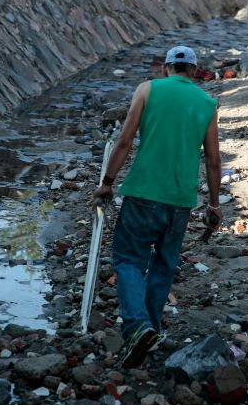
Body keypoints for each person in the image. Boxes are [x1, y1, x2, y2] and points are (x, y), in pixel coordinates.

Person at [92, 45, 223, 369]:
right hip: (180, 201)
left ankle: (138, 327)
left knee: (127, 260)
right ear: (193, 71)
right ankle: (151, 328)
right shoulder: (207, 103)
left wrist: (107, 182)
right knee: (164, 265)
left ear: (166, 68)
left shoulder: (147, 89)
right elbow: (214, 160)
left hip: (143, 192)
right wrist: (215, 204)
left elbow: (124, 140)